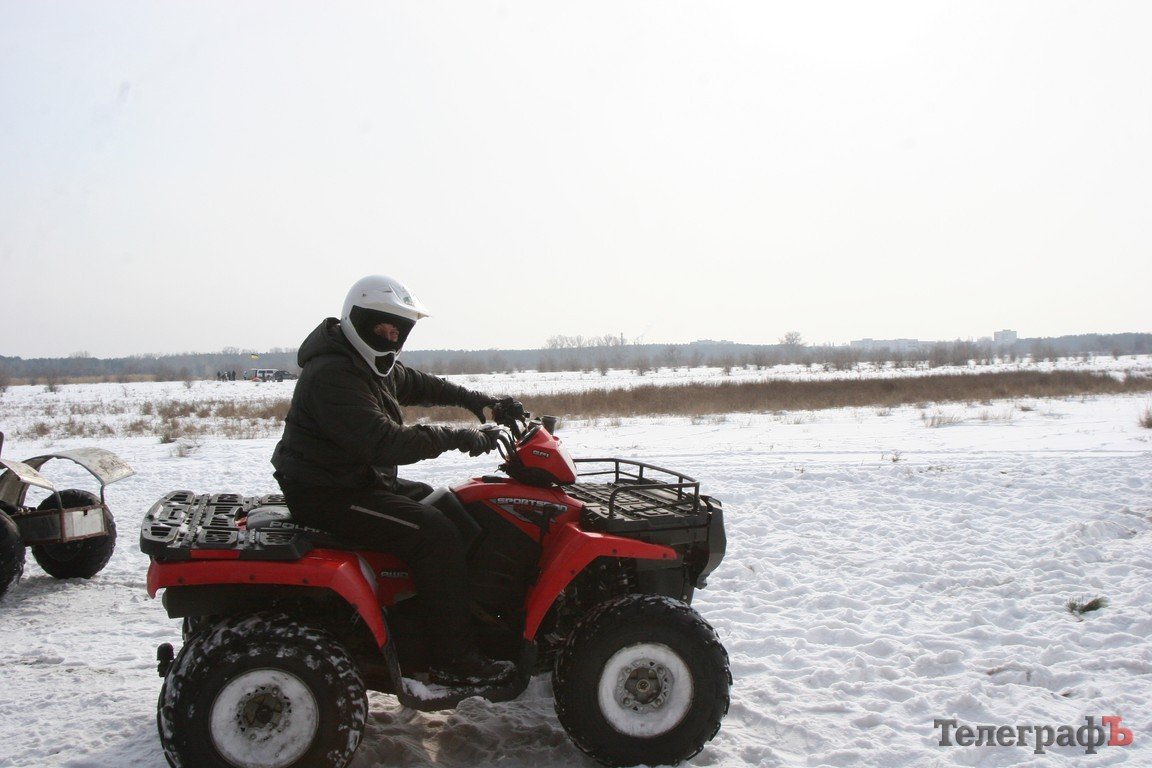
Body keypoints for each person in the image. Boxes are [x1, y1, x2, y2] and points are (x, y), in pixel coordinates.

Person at [271, 274, 514, 687]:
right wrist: (459, 437)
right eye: (385, 326)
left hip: (355, 481)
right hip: (329, 492)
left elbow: (421, 384)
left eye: (399, 328)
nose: (393, 336)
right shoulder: (333, 374)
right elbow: (383, 442)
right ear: (360, 320)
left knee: (457, 507)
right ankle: (452, 659)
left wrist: (480, 401)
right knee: (435, 534)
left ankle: (445, 619)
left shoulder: (364, 362)